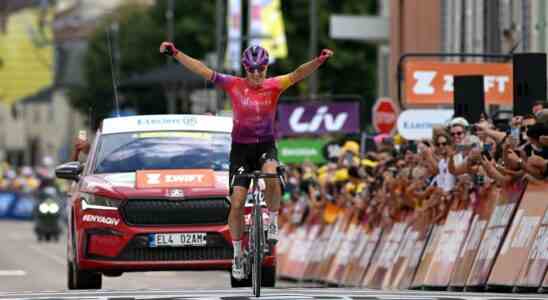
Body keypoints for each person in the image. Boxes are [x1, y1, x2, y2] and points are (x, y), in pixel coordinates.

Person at [159, 41, 333, 279]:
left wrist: (319, 61)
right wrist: (176, 53)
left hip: (265, 146)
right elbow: (202, 69)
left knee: (271, 173)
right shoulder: (233, 85)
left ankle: (271, 220)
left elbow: (297, 74)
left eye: (260, 68)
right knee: (238, 202)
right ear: (244, 69)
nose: (256, 74)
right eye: (251, 69)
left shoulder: (274, 85)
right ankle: (238, 254)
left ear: (266, 68)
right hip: (240, 150)